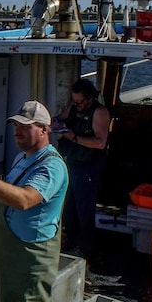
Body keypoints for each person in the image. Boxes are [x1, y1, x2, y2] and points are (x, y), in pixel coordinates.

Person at [0, 100, 68, 302]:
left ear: (44, 129)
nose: (18, 131)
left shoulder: (52, 166)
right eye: (16, 126)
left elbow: (25, 200)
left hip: (27, 261)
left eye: (25, 126)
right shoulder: (21, 158)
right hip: (5, 255)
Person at [52, 78, 110, 259]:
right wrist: (53, 124)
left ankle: (86, 248)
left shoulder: (99, 113)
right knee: (68, 205)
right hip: (70, 164)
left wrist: (73, 137)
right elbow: (59, 119)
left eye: (80, 102)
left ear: (90, 99)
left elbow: (100, 143)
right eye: (74, 101)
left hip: (88, 167)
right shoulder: (73, 108)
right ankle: (70, 239)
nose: (77, 105)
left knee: (84, 208)